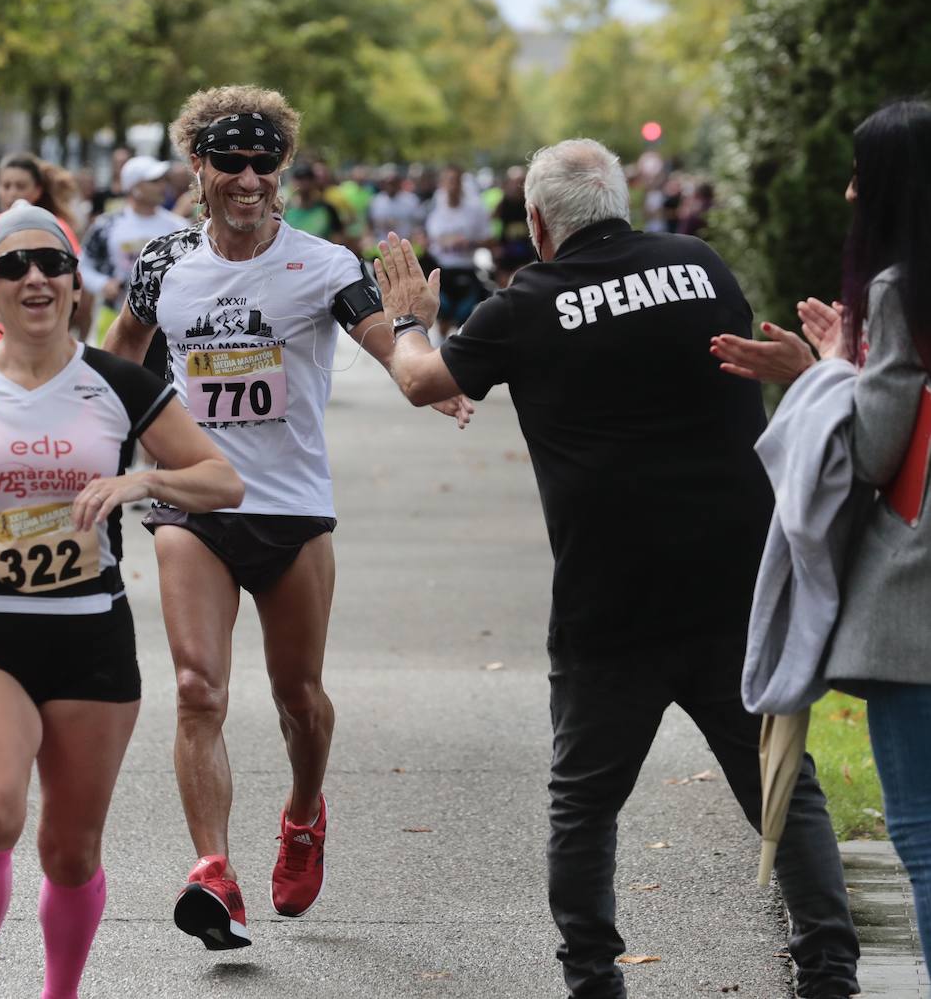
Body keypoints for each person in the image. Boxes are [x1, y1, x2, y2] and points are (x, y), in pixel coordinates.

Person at [374, 138, 860, 999]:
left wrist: (410, 317)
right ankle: (828, 967)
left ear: (536, 223)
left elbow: (422, 380)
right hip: (734, 582)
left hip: (613, 595)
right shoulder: (701, 266)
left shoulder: (523, 305)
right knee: (780, 780)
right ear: (622, 202)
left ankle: (593, 977)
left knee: (585, 802)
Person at [103, 85, 472, 951]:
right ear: (198, 167)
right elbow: (119, 358)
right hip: (191, 500)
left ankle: (304, 814)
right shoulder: (162, 264)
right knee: (198, 688)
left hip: (292, 508)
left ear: (283, 170)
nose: (247, 177)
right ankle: (214, 874)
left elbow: (394, 351)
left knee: (298, 697)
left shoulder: (327, 265)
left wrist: (435, 368)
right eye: (228, 160)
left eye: (264, 161)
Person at [0, 202, 241, 999]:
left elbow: (222, 479)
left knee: (71, 852)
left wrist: (143, 478)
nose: (34, 278)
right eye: (14, 267)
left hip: (91, 643)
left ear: (78, 285)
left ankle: (60, 992)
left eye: (52, 264)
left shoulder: (120, 385)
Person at [712, 99, 931, 961]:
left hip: (914, 600)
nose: (846, 192)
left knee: (921, 832)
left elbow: (874, 450)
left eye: (859, 175)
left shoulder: (899, 288)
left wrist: (830, 369)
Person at [0, 153, 85, 351]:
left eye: (20, 186)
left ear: (37, 190)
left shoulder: (59, 229)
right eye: (5, 186)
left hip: (43, 343)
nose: (12, 193)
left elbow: (72, 285)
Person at [79, 155, 180, 374]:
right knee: (114, 380)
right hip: (114, 315)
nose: (163, 186)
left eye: (164, 179)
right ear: (134, 187)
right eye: (154, 181)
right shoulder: (107, 225)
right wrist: (102, 284)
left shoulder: (178, 226)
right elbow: (82, 266)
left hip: (165, 324)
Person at [423, 164, 492, 339]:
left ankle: (460, 358)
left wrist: (469, 242)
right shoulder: (433, 206)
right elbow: (421, 236)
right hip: (440, 270)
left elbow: (490, 240)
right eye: (448, 181)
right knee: (442, 318)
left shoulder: (475, 209)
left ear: (462, 183)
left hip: (466, 268)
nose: (452, 186)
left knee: (465, 320)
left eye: (456, 181)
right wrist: (434, 241)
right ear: (442, 183)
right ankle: (439, 356)